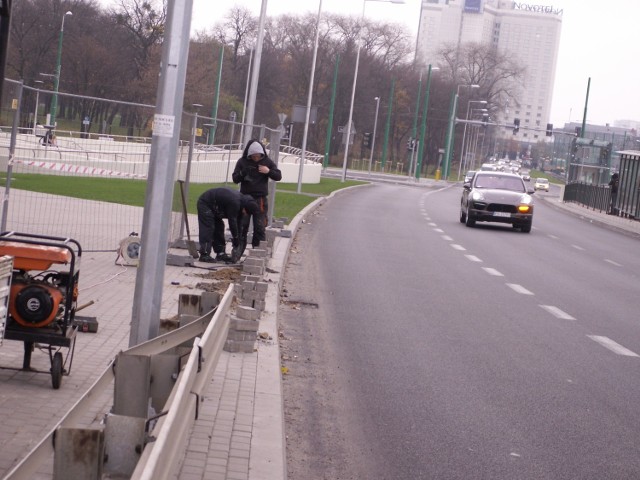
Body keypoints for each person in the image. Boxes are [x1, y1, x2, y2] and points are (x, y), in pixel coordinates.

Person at [232, 139, 282, 248]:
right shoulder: (242, 162)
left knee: (260, 226)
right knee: (242, 226)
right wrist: (243, 173)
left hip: (260, 199)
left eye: (258, 156)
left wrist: (268, 171)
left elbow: (278, 176)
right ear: (249, 155)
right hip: (245, 198)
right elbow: (235, 179)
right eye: (254, 156)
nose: (256, 158)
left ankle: (257, 251)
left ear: (262, 154)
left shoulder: (267, 162)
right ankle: (238, 251)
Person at [196, 187, 259, 263]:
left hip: (215, 206)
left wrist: (237, 239)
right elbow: (232, 222)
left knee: (219, 227)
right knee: (209, 227)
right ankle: (204, 254)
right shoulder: (235, 203)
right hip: (206, 203)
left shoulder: (243, 203)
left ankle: (221, 253)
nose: (245, 214)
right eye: (246, 212)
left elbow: (238, 224)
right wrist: (235, 238)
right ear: (245, 208)